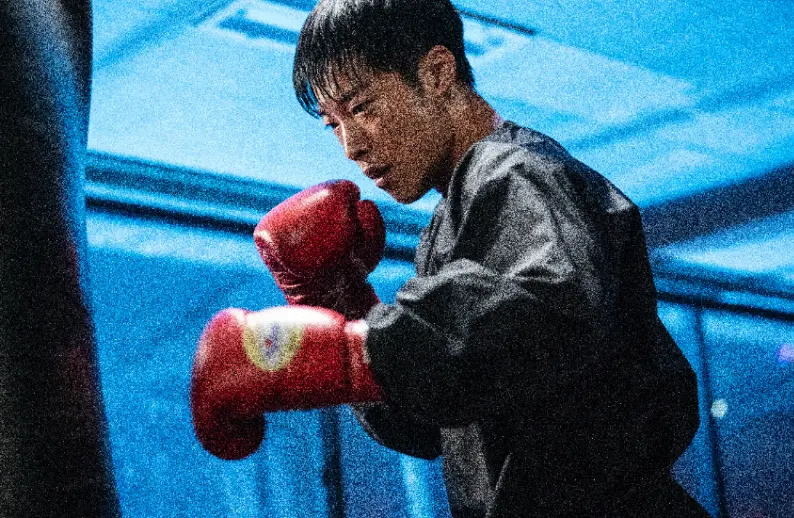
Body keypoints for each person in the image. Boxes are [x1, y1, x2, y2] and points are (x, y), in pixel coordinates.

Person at [190, 0, 712, 516]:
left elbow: (547, 311)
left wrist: (356, 350)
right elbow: (436, 422)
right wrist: (341, 303)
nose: (350, 146)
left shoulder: (518, 173)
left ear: (437, 73)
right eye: (333, 123)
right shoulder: (453, 219)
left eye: (362, 108)